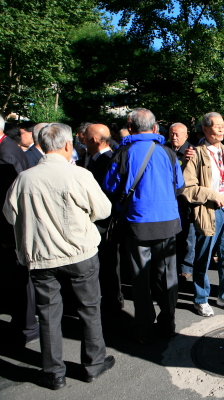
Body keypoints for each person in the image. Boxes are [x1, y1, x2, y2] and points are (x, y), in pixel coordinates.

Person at [3, 123, 115, 390]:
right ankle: (93, 364)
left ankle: (53, 372)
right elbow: (103, 210)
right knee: (89, 308)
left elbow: (9, 215)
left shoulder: (24, 178)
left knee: (49, 314)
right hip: (80, 253)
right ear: (67, 145)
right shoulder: (79, 175)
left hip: (42, 256)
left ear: (42, 145)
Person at [103, 108, 183, 343]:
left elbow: (110, 186)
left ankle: (144, 328)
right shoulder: (168, 152)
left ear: (130, 128)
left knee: (140, 278)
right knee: (167, 276)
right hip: (167, 221)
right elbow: (179, 186)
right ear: (155, 127)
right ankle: (168, 324)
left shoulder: (123, 152)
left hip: (137, 222)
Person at [182, 112, 224, 317]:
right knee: (204, 257)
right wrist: (212, 195)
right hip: (208, 211)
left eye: (223, 125)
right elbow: (187, 188)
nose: (222, 129)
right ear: (205, 129)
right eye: (217, 126)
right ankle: (201, 298)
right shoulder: (196, 153)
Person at [0, 115, 39, 348]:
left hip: (10, 229)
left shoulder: (6, 154)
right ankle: (24, 323)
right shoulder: (8, 149)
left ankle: (26, 325)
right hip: (10, 228)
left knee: (18, 277)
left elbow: (11, 199)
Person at [84, 124, 125, 316]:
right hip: (100, 222)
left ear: (94, 140)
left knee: (109, 265)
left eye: (85, 137)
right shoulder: (96, 159)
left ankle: (113, 304)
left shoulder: (108, 160)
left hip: (105, 223)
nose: (82, 141)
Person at [167, 123, 196, 282]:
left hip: (185, 201)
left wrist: (188, 160)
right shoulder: (165, 149)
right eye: (172, 133)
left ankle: (186, 268)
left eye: (177, 134)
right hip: (169, 199)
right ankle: (174, 266)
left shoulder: (192, 151)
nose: (174, 137)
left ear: (186, 136)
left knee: (188, 236)